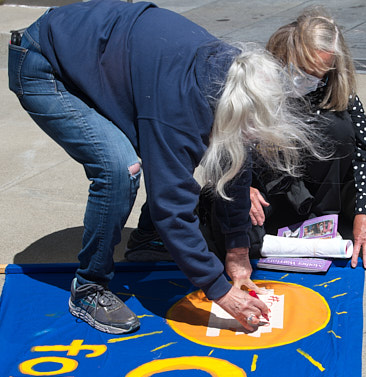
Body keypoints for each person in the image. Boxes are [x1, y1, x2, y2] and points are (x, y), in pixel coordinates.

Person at [8, 0, 322, 334]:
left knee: (188, 153)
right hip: (44, 61)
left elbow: (234, 166)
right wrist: (220, 291)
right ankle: (89, 287)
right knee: (120, 168)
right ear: (231, 107)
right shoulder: (179, 110)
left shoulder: (235, 75)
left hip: (92, 55)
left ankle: (147, 239)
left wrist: (237, 249)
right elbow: (170, 205)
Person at [248, 7, 366, 270]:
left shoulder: (338, 89)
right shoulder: (259, 83)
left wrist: (364, 214)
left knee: (338, 128)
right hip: (279, 186)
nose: (313, 79)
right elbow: (231, 143)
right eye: (305, 70)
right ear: (287, 54)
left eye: (323, 73)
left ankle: (326, 217)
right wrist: (244, 186)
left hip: (328, 189)